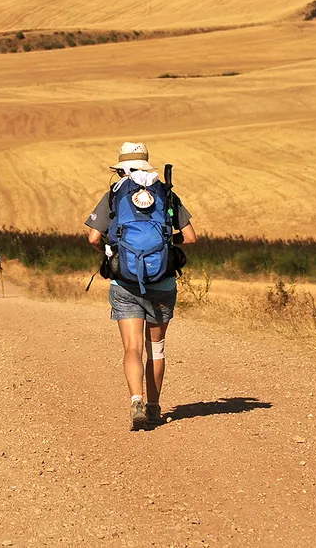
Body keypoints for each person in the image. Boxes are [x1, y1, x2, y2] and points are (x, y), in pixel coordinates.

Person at [85, 141, 196, 431]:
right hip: (163, 282)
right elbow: (192, 237)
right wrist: (167, 244)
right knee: (155, 349)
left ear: (121, 167)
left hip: (125, 283)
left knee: (132, 347)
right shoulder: (166, 193)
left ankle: (136, 400)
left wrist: (113, 252)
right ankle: (155, 406)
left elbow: (93, 239)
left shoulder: (115, 194)